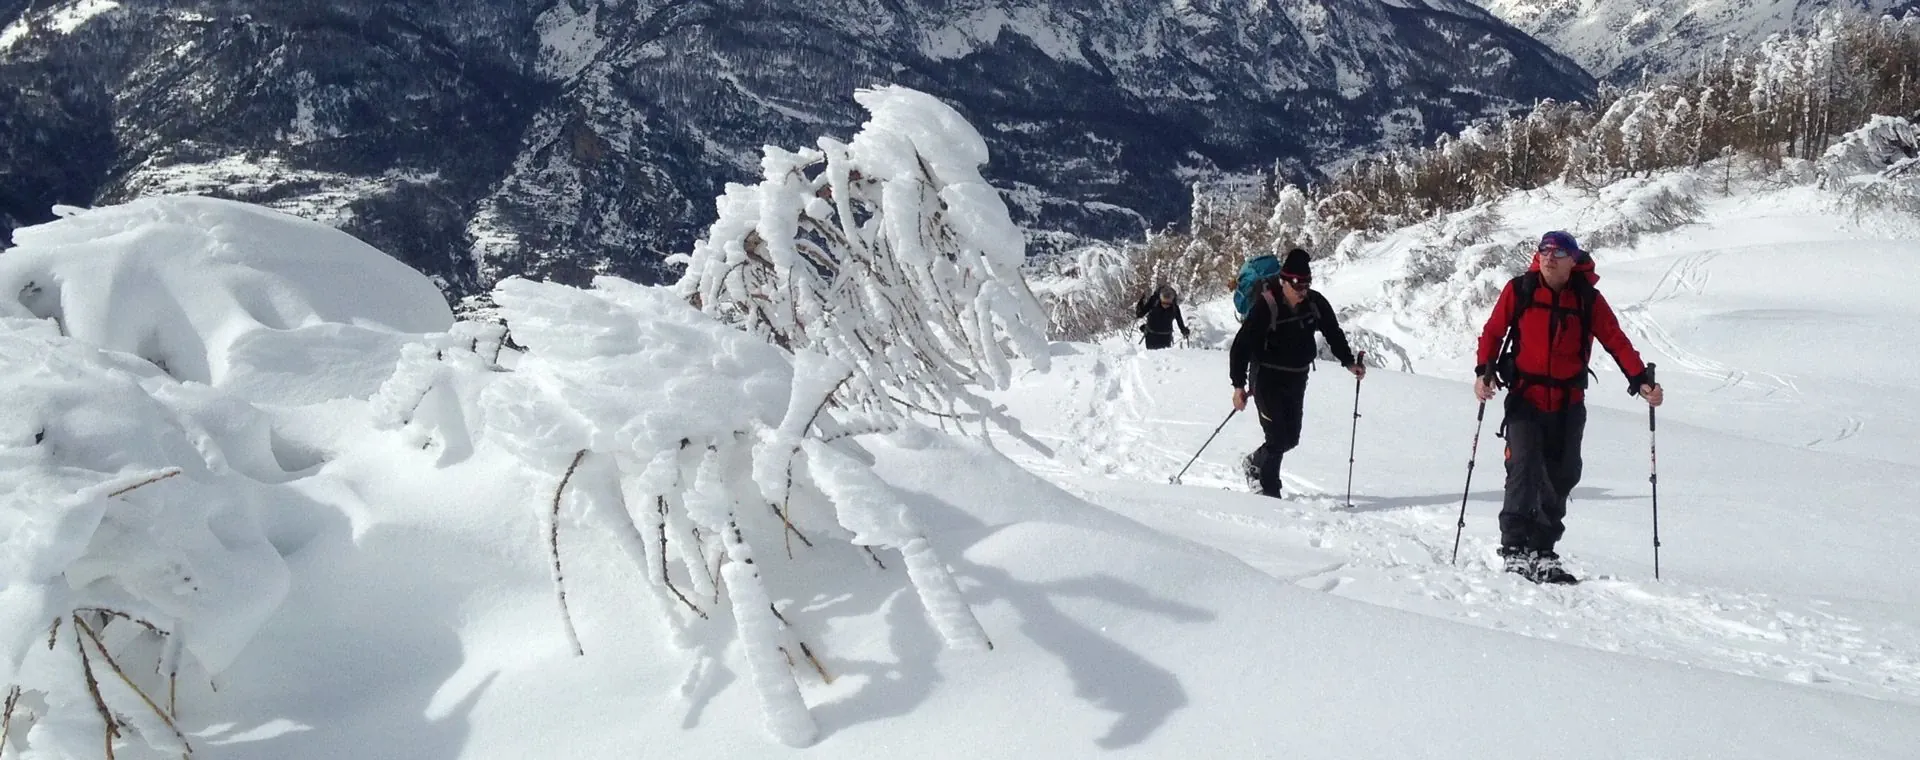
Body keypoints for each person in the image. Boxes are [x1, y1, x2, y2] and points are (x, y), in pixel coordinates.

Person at [1472, 230, 1664, 584]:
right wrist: (1484, 371)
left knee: (1562, 474)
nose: (1548, 257)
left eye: (1558, 253)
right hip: (1526, 397)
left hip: (1568, 401)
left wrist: (1641, 380)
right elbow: (1493, 333)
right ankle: (1514, 548)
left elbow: (1615, 341)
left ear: (1573, 260)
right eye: (1544, 251)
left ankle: (1543, 549)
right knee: (1523, 466)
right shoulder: (1521, 290)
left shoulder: (1588, 299)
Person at [1229, 249, 1364, 498]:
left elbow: (1332, 331)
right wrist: (1238, 385)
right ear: (1284, 281)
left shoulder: (1315, 302)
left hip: (1297, 377)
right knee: (1277, 436)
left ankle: (1254, 462)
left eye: (1306, 285)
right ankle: (1269, 494)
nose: (1302, 291)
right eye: (1297, 285)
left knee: (1291, 438)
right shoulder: (1266, 305)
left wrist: (1348, 361)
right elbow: (1241, 347)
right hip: (1267, 378)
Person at [1135, 285, 1190, 349]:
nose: (1166, 305)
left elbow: (1179, 320)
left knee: (1164, 357)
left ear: (1172, 301)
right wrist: (1140, 303)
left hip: (1166, 337)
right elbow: (1140, 314)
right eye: (1164, 303)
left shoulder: (1174, 307)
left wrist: (1184, 330)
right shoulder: (1154, 301)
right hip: (1152, 336)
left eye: (1168, 303)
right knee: (1152, 357)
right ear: (1160, 298)